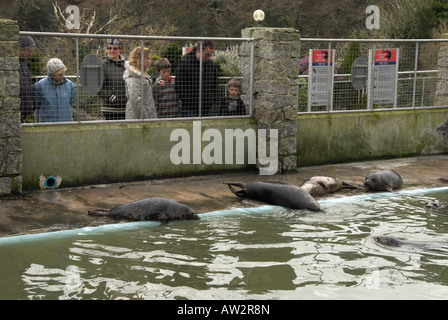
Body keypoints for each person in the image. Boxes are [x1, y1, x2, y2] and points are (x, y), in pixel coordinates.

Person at [175, 41, 218, 117]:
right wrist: (188, 101)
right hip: (189, 109)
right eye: (206, 55)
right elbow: (179, 85)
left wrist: (211, 100)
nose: (208, 58)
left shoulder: (211, 65)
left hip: (206, 108)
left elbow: (215, 84)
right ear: (198, 51)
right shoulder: (185, 64)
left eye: (210, 55)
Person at [33, 58, 75, 122]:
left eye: (64, 73)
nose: (63, 76)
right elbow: (37, 107)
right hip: (47, 124)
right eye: (60, 74)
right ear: (52, 74)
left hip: (66, 122)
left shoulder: (70, 85)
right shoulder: (39, 86)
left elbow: (71, 101)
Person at [123, 47, 157, 120]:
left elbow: (146, 94)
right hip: (138, 120)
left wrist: (157, 86)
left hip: (146, 116)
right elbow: (136, 101)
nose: (150, 61)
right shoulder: (134, 77)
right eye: (147, 59)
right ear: (140, 59)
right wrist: (145, 119)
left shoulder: (142, 74)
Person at [98, 39, 127, 120]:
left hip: (126, 108)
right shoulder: (103, 65)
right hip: (110, 109)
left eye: (115, 48)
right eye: (109, 48)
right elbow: (98, 87)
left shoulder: (127, 65)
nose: (112, 50)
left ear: (120, 50)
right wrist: (111, 97)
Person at [19, 36, 36, 122]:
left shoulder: (24, 63)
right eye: (29, 51)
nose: (30, 55)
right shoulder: (12, 63)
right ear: (21, 48)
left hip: (25, 109)